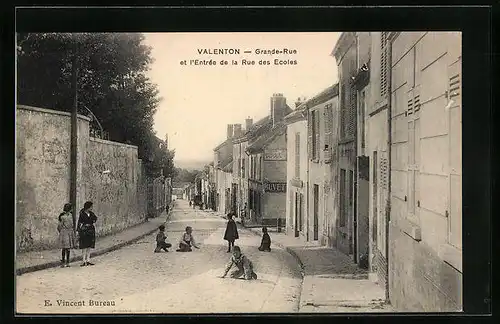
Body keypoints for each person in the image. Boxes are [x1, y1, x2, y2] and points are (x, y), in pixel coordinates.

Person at [77, 201, 98, 266]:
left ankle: (88, 260)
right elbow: (80, 222)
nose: (92, 208)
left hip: (91, 230)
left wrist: (93, 220)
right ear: (88, 207)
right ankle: (84, 260)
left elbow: (95, 219)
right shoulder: (82, 213)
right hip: (84, 230)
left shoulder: (91, 213)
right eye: (91, 207)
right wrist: (78, 230)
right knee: (84, 245)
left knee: (89, 245)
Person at [57, 203, 77, 267]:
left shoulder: (70, 215)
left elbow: (72, 224)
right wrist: (62, 231)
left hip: (69, 232)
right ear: (69, 209)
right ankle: (63, 262)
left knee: (68, 248)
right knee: (64, 248)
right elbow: (59, 226)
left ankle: (67, 262)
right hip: (65, 233)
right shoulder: (63, 217)